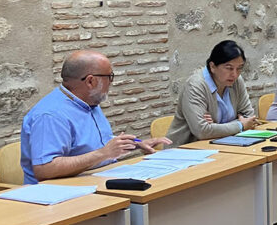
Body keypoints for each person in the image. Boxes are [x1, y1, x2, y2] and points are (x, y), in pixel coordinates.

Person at [20, 50, 171, 184]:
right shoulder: (51, 115)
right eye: (109, 77)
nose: (111, 83)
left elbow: (95, 143)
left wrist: (136, 144)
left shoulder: (89, 102)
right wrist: (103, 153)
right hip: (60, 195)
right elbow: (45, 169)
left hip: (98, 180)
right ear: (91, 81)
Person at [165, 40, 258, 147]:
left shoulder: (236, 81)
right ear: (213, 66)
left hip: (226, 145)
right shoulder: (195, 85)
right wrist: (240, 125)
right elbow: (202, 131)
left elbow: (250, 117)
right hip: (187, 150)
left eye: (239, 68)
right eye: (229, 68)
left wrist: (215, 126)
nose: (235, 74)